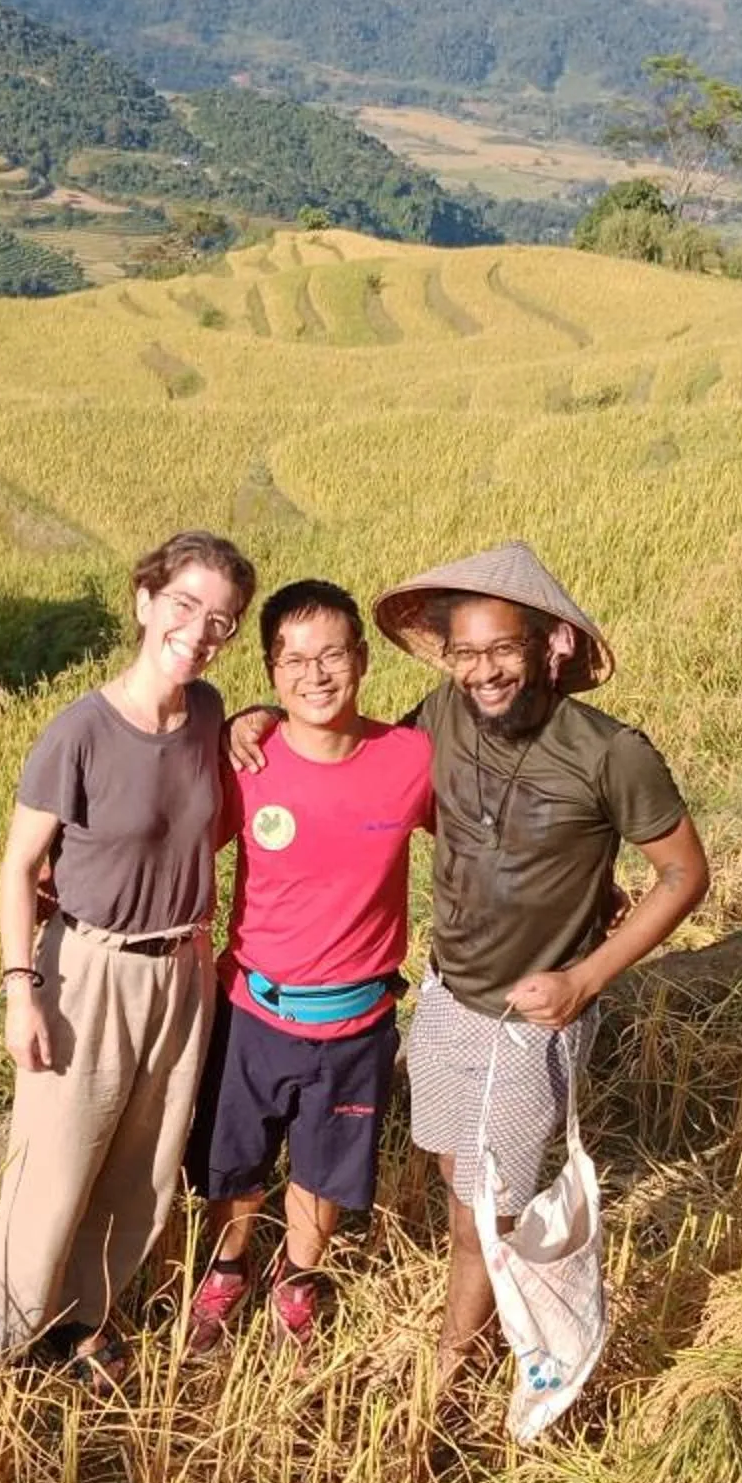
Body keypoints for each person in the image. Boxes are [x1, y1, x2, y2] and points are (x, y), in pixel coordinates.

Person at [229, 541, 708, 1383]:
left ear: (549, 645)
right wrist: (255, 719)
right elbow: (359, 761)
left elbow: (684, 873)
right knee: (456, 1168)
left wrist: (586, 977)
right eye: (466, 652)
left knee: (477, 1205)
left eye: (503, 650)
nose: (484, 672)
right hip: (448, 994)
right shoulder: (442, 716)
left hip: (532, 1017)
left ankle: (457, 1362)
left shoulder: (610, 751)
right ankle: (496, 1296)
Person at [0, 529, 258, 1387]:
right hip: (86, 973)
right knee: (53, 1169)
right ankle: (3, 1344)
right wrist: (21, 991)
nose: (200, 630)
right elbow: (20, 867)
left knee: (144, 1164)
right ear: (144, 602)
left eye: (222, 620)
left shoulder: (209, 713)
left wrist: (260, 718)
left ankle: (83, 1322)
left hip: (181, 972)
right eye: (185, 606)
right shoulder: (81, 733)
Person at [184, 577, 434, 1350]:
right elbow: (176, 855)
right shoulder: (247, 763)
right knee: (236, 1160)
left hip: (359, 1020)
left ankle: (296, 1275)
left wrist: (592, 887)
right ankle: (228, 1266)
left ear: (361, 659)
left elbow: (485, 834)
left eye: (331, 655)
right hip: (256, 1010)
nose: (315, 674)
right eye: (294, 660)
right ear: (270, 673)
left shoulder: (411, 757)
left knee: (325, 1170)